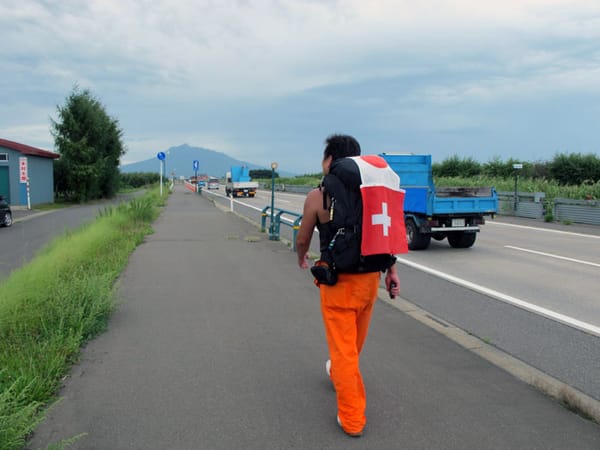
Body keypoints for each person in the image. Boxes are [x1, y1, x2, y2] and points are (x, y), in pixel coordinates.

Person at [296, 134, 401, 437]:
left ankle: (352, 419)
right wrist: (391, 271)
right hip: (370, 281)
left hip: (338, 284)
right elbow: (385, 235)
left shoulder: (319, 196)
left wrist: (302, 258)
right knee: (352, 345)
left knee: (343, 351)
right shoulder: (372, 194)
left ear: (330, 161)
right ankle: (339, 372)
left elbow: (303, 239)